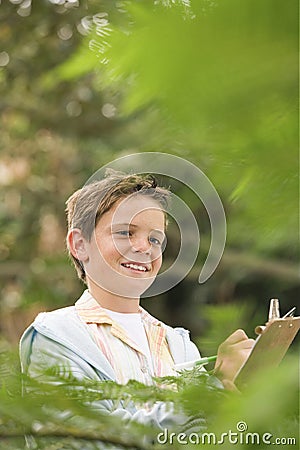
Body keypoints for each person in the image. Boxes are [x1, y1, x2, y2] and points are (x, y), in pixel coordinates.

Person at [19, 170, 254, 437]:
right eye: (125, 233)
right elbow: (84, 439)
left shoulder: (178, 345)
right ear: (80, 244)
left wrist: (238, 387)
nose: (145, 247)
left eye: (155, 239)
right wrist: (212, 388)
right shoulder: (57, 335)